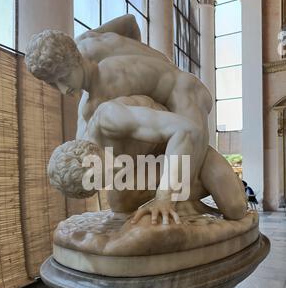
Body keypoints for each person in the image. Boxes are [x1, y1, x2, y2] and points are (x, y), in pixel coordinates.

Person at [48, 96, 248, 224]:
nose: (110, 179)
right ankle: (190, 205)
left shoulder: (110, 118)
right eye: (102, 182)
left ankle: (187, 200)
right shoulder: (99, 170)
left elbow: (186, 131)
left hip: (192, 152)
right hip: (159, 166)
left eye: (103, 172)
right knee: (118, 201)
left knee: (235, 209)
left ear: (91, 153)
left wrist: (164, 197)